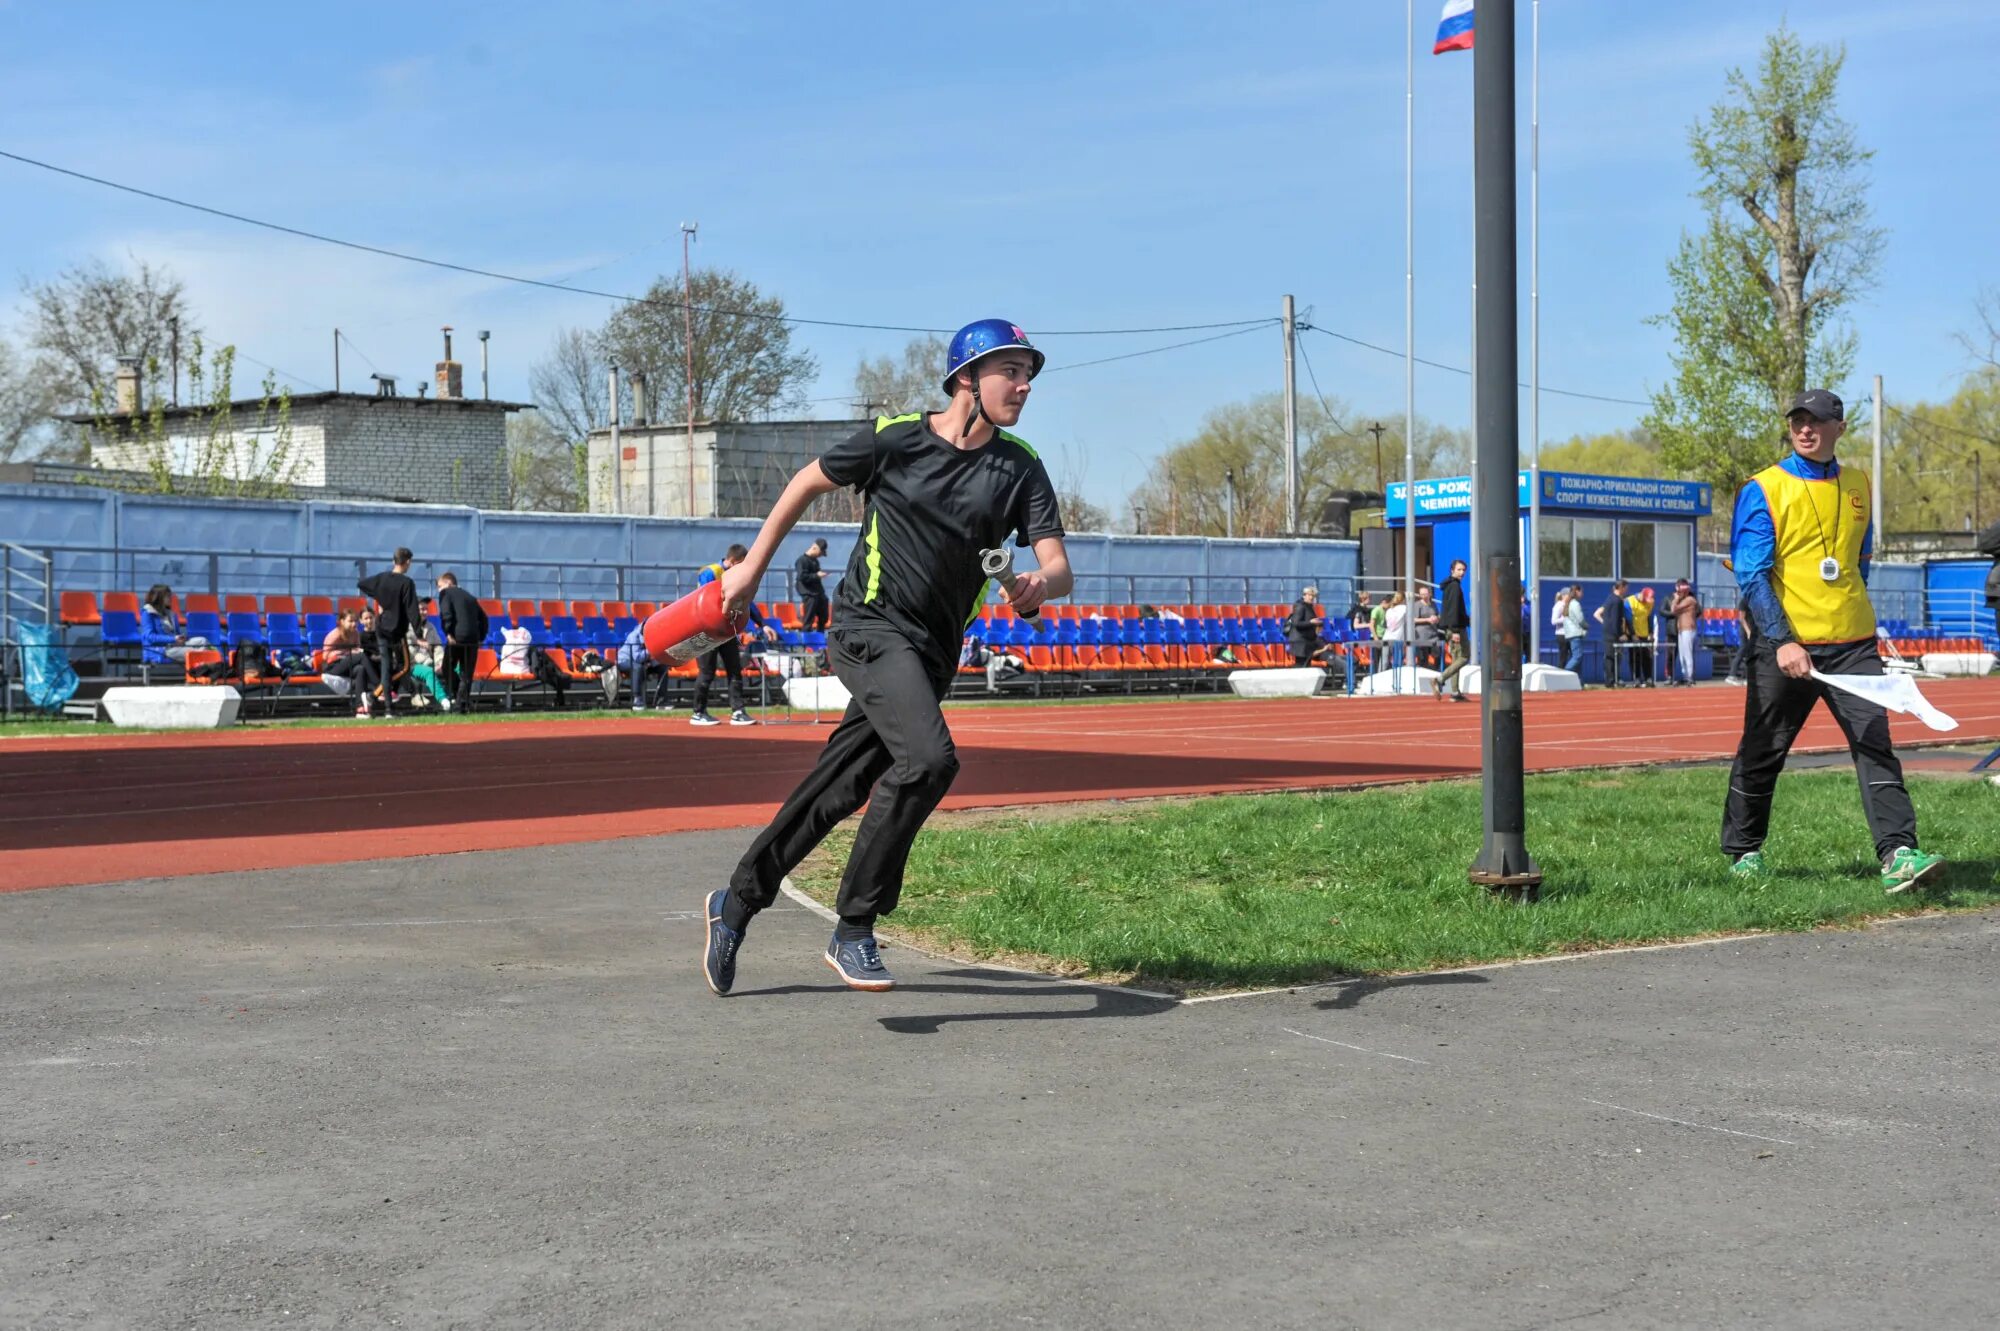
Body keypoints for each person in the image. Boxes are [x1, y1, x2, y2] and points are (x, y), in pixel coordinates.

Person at [701, 318, 1070, 995]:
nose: (1024, 384)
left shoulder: (1020, 467)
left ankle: (737, 900)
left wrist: (1030, 586)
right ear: (967, 378)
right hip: (869, 627)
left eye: (1028, 373)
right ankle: (855, 926)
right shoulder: (896, 438)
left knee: (836, 789)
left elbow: (1058, 567)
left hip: (929, 654)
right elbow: (804, 483)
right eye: (1010, 370)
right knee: (930, 759)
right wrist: (751, 569)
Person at [1721, 388, 1944, 892]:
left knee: (1875, 745)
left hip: (1854, 645)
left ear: (1839, 428)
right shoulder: (1763, 488)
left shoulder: (1859, 484)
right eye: (1798, 420)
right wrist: (1781, 640)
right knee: (1763, 750)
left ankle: (1898, 854)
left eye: (1816, 421)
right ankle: (1744, 852)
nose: (1805, 428)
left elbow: (1857, 562)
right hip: (1788, 646)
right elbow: (1752, 574)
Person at [690, 544, 780, 727]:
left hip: (726, 631)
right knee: (707, 672)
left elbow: (746, 602)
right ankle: (698, 712)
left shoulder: (736, 577)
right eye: (740, 563)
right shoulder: (710, 572)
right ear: (731, 561)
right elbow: (708, 598)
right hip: (706, 631)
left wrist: (761, 625)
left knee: (734, 670)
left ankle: (738, 711)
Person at [357, 547, 420, 717]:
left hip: (382, 627)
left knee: (386, 668)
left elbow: (361, 584)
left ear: (394, 561)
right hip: (397, 631)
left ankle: (386, 707)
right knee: (405, 667)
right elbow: (412, 610)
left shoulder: (382, 578)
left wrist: (380, 596)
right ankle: (374, 697)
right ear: (407, 562)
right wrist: (419, 634)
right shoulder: (407, 583)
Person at [434, 571, 487, 714]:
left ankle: (459, 700)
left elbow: (446, 614)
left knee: (446, 668)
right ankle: (462, 705)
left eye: (440, 586)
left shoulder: (446, 593)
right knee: (466, 674)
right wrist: (481, 637)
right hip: (472, 639)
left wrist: (448, 633)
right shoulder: (470, 597)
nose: (439, 590)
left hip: (456, 638)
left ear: (449, 583)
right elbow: (484, 618)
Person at [319, 608, 380, 716]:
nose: (354, 624)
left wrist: (352, 653)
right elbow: (325, 656)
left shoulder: (355, 634)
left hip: (348, 665)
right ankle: (379, 686)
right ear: (342, 621)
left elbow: (356, 650)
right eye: (350, 621)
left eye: (355, 621)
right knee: (361, 656)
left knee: (360, 669)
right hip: (334, 667)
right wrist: (346, 652)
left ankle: (360, 707)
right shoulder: (335, 635)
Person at [139, 584, 209, 667]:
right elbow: (149, 637)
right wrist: (173, 639)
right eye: (167, 596)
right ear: (159, 597)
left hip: (174, 645)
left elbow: (176, 634)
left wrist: (180, 638)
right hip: (162, 649)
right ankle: (200, 670)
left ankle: (200, 668)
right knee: (193, 651)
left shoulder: (171, 614)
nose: (170, 598)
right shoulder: (148, 613)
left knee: (202, 641)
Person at [1433, 559, 1470, 702]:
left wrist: (1467, 620)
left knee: (1456, 659)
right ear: (1452, 570)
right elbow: (1453, 609)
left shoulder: (1449, 586)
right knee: (1465, 656)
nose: (1462, 572)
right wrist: (1455, 630)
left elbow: (1451, 609)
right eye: (1459, 569)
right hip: (1456, 628)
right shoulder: (1455, 587)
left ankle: (1455, 692)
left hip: (1455, 626)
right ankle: (1440, 679)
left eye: (1463, 570)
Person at [1593, 578, 1631, 687]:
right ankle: (1611, 680)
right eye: (1626, 588)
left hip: (1608, 632)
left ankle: (1612, 680)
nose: (1627, 590)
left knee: (1610, 657)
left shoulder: (1610, 598)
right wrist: (1620, 634)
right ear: (1621, 587)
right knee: (1611, 657)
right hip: (1612, 634)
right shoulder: (1617, 600)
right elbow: (1615, 619)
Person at [1667, 579, 1701, 687]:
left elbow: (1673, 609)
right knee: (1682, 655)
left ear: (1686, 592)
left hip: (1688, 629)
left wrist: (1676, 599)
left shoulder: (1690, 600)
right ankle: (1685, 676)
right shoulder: (1682, 600)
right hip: (1681, 629)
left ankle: (1690, 677)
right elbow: (1673, 609)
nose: (1678, 594)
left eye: (1680, 592)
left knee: (1687, 654)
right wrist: (1677, 599)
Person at [1284, 586, 1329, 667]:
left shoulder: (1309, 607)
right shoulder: (1300, 606)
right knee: (1301, 667)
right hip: (1300, 643)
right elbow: (1296, 623)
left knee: (1305, 666)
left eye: (1313, 596)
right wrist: (1311, 622)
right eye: (1309, 595)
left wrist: (1317, 624)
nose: (1311, 597)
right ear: (1304, 595)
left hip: (1306, 642)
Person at [795, 538, 831, 632]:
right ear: (815, 548)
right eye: (820, 553)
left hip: (818, 592)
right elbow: (802, 577)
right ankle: (807, 641)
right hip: (809, 593)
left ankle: (820, 636)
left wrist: (818, 575)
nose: (820, 556)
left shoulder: (815, 561)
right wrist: (816, 575)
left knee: (824, 615)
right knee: (809, 618)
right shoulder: (802, 561)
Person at [1625, 586, 1657, 687]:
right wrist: (1633, 634)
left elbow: (1650, 617)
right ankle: (1636, 679)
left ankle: (1648, 678)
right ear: (1642, 594)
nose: (1646, 602)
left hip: (1645, 634)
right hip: (1633, 634)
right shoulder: (1629, 601)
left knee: (1647, 657)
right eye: (1645, 600)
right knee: (1635, 657)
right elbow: (1628, 620)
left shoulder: (1650, 602)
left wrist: (1651, 632)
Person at [1557, 582, 1588, 674]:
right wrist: (1586, 626)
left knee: (1578, 658)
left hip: (1570, 634)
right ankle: (1565, 673)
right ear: (1577, 592)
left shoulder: (1569, 603)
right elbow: (1580, 619)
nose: (1582, 593)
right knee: (1577, 656)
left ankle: (1579, 682)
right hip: (1575, 634)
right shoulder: (1575, 604)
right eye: (1581, 591)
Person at [1411, 586, 1439, 670]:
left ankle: (1436, 671)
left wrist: (1436, 618)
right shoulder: (1417, 605)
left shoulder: (1433, 604)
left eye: (1426, 594)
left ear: (1430, 594)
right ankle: (1424, 670)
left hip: (1433, 633)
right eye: (1422, 594)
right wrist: (1427, 619)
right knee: (1423, 656)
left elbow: (1437, 614)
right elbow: (1414, 619)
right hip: (1422, 634)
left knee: (1438, 653)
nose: (1424, 596)